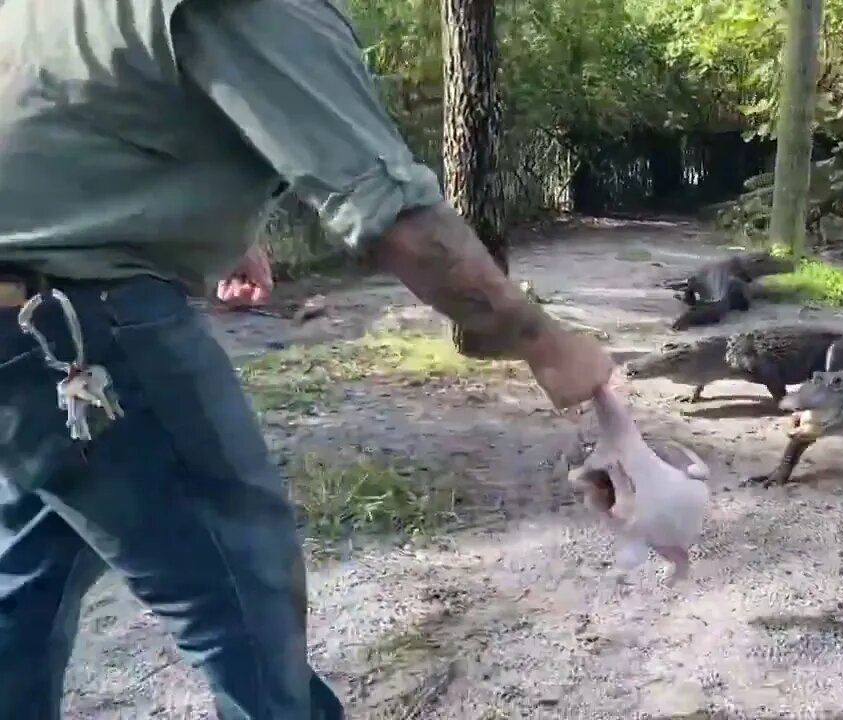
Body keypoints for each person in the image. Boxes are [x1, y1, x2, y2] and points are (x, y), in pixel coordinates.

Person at [0, 0, 615, 717]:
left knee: (29, 578)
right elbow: (394, 216)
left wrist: (211, 229)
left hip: (23, 327)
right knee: (243, 596)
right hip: (74, 331)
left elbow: (73, 122)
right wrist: (541, 339)